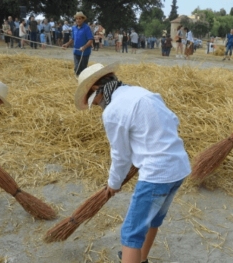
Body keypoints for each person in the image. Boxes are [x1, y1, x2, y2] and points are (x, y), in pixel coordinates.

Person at [74, 62, 191, 263]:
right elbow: (172, 121)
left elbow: (120, 155)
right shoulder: (141, 92)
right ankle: (141, 258)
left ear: (96, 89)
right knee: (153, 220)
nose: (96, 105)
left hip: (156, 175)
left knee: (130, 234)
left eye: (93, 101)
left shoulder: (112, 111)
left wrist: (113, 184)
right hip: (179, 167)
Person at [62, 11, 93, 77]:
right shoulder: (74, 28)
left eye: (80, 18)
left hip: (84, 53)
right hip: (76, 51)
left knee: (83, 69)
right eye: (77, 18)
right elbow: (72, 39)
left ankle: (83, 81)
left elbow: (90, 40)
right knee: (76, 68)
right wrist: (67, 44)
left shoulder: (86, 28)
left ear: (83, 19)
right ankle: (77, 80)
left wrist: (84, 47)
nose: (78, 20)